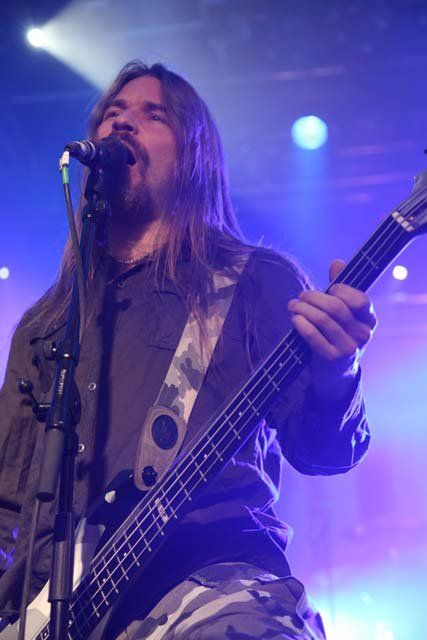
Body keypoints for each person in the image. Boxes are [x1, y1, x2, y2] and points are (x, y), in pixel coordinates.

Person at [0, 61, 376, 639]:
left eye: (153, 115)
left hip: (210, 588)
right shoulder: (46, 324)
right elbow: (7, 503)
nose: (122, 123)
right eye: (112, 113)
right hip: (51, 615)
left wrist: (338, 373)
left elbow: (322, 452)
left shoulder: (253, 282)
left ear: (195, 157)